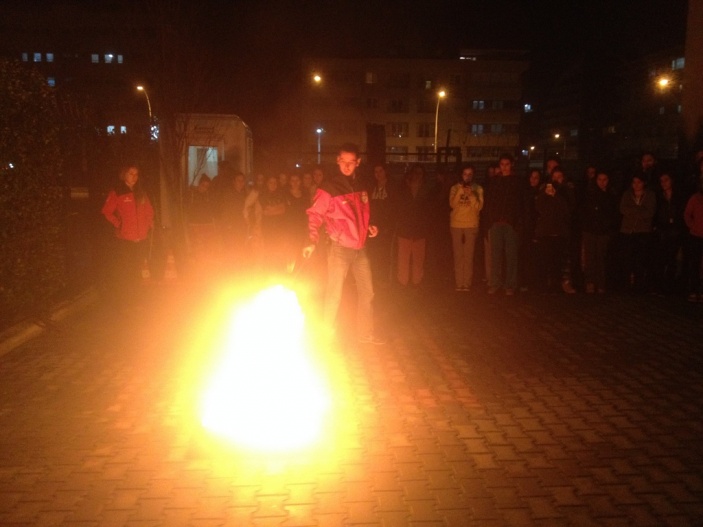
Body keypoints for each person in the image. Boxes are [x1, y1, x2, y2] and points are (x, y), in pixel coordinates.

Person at [303, 143, 385, 345]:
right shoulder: (329, 188)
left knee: (368, 292)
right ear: (338, 161)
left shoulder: (362, 185)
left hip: (360, 248)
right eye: (343, 162)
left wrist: (370, 226)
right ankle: (325, 335)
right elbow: (315, 215)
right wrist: (312, 240)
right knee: (334, 294)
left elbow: (363, 213)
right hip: (339, 248)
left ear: (357, 162)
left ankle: (365, 333)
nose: (347, 166)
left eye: (351, 162)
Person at [101, 165, 154, 306]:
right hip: (126, 239)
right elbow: (107, 211)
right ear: (125, 175)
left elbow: (149, 210)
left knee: (138, 268)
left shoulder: (141, 192)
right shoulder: (117, 192)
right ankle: (126, 299)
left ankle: (137, 299)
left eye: (136, 174)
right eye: (131, 174)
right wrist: (118, 224)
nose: (134, 177)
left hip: (141, 238)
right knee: (127, 270)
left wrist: (150, 224)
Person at [483, 154, 523, 295]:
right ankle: (495, 283)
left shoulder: (517, 182)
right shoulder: (494, 181)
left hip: (510, 223)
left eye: (507, 164)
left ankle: (510, 285)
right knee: (495, 255)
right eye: (502, 164)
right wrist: (491, 220)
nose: (504, 167)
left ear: (511, 164)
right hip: (496, 223)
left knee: (511, 255)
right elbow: (489, 202)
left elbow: (520, 203)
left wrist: (516, 222)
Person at [580, 171, 619, 294]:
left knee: (601, 258)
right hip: (590, 230)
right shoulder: (590, 194)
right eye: (599, 179)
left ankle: (601, 284)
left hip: (604, 232)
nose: (602, 182)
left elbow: (613, 213)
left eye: (605, 179)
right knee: (590, 258)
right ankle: (590, 283)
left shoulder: (611, 195)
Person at [394, 164, 432, 292]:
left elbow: (428, 211)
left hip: (419, 231)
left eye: (420, 174)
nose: (417, 176)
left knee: (418, 259)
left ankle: (416, 282)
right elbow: (398, 209)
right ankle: (403, 283)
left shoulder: (426, 191)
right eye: (415, 173)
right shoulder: (403, 190)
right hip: (405, 230)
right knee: (403, 259)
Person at [618, 173, 656, 293]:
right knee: (627, 260)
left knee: (640, 260)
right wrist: (639, 211)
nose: (636, 185)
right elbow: (623, 209)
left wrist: (634, 211)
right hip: (628, 231)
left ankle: (639, 286)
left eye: (639, 182)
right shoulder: (627, 194)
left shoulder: (650, 195)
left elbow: (650, 212)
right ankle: (627, 285)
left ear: (643, 182)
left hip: (643, 231)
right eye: (634, 182)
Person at [449, 165, 483, 291]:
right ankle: (459, 283)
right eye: (465, 174)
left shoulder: (478, 189)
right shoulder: (454, 188)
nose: (467, 177)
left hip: (471, 225)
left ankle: (467, 283)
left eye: (470, 174)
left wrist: (472, 195)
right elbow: (452, 204)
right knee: (458, 255)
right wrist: (460, 191)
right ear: (461, 175)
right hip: (456, 224)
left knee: (468, 255)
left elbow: (479, 207)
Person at [651, 171, 686, 295]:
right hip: (662, 231)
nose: (663, 183)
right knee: (660, 259)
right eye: (661, 181)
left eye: (666, 180)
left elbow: (682, 213)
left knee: (672, 259)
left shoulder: (679, 196)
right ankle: (659, 285)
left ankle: (670, 286)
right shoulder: (658, 196)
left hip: (675, 231)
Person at [367, 163, 396, 287]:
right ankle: (373, 277)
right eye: (376, 172)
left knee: (385, 252)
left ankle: (384, 279)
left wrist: (388, 226)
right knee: (373, 252)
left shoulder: (392, 187)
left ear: (385, 172)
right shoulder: (372, 187)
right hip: (372, 224)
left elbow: (394, 208)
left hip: (386, 227)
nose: (378, 174)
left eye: (380, 171)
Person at [683, 175, 703, 302]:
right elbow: (687, 214)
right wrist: (693, 226)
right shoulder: (695, 198)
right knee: (695, 264)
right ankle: (694, 290)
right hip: (696, 235)